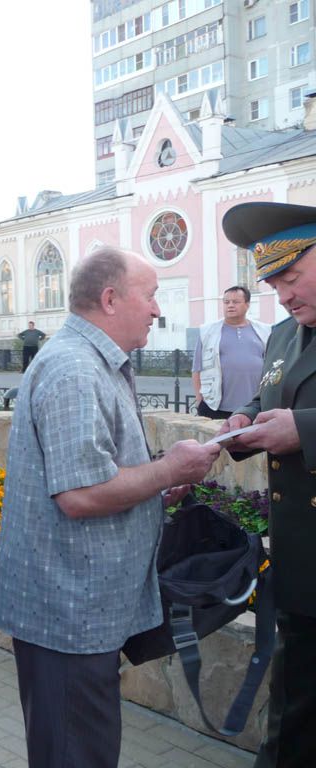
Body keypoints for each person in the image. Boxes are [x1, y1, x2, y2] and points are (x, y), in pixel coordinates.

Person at [0, 246, 221, 768]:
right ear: (111, 299)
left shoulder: (94, 362)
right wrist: (169, 470)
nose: (158, 309)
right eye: (151, 295)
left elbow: (93, 474)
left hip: (82, 611)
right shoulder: (75, 369)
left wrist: (155, 487)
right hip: (70, 617)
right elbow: (79, 496)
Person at [220, 202, 316, 768]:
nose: (282, 295)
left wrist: (303, 430)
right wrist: (245, 421)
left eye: (292, 277)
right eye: (274, 283)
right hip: (301, 559)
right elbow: (271, 396)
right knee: (293, 706)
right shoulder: (283, 334)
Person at [192, 286, 271, 419]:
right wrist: (199, 400)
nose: (230, 305)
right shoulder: (207, 332)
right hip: (216, 407)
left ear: (247, 304)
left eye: (236, 302)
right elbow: (196, 369)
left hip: (254, 408)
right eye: (226, 302)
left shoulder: (265, 331)